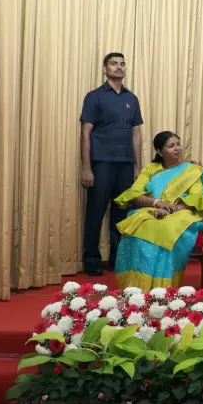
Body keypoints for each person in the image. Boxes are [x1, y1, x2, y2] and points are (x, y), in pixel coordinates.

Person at [113, 131, 203, 290]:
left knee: (165, 228)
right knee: (139, 227)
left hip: (183, 213)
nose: (177, 148)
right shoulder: (150, 170)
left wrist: (171, 210)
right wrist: (157, 203)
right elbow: (134, 195)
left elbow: (196, 198)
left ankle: (163, 288)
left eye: (178, 144)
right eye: (171, 146)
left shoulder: (191, 170)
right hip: (152, 210)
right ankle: (138, 287)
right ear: (159, 151)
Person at [80, 52, 144, 276]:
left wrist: (138, 166)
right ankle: (91, 260)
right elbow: (85, 133)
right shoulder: (94, 96)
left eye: (122, 64)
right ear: (105, 69)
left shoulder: (131, 99)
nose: (119, 67)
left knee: (121, 214)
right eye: (114, 64)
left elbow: (136, 134)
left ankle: (117, 258)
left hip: (126, 163)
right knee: (95, 212)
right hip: (102, 162)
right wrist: (86, 167)